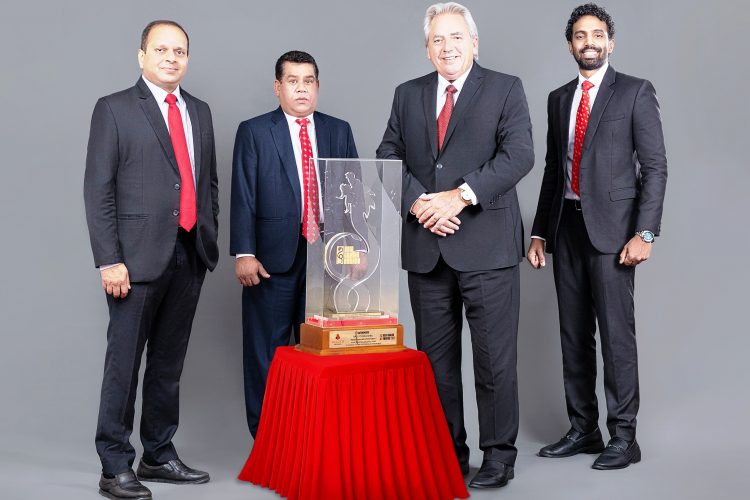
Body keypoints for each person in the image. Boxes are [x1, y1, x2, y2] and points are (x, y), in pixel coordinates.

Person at [377, 2, 534, 489]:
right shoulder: (407, 94)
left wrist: (459, 197)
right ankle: (446, 452)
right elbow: (388, 154)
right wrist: (420, 203)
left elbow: (519, 155)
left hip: (487, 247)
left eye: (456, 37)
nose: (447, 47)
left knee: (494, 360)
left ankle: (499, 456)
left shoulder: (505, 88)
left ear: (474, 43)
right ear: (427, 49)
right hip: (427, 248)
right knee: (435, 363)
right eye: (438, 40)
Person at [528, 3, 667, 470]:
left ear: (611, 42)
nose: (589, 42)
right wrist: (540, 232)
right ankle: (583, 429)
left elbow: (655, 167)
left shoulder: (634, 91)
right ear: (570, 45)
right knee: (573, 335)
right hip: (566, 228)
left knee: (616, 337)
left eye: (597, 34)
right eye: (580, 35)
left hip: (615, 234)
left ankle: (624, 437)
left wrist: (645, 233)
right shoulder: (558, 98)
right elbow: (554, 170)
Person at [84, 20, 219, 499]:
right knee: (124, 364)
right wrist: (109, 260)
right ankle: (114, 464)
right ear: (141, 56)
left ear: (188, 59)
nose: (170, 58)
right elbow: (98, 189)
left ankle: (158, 454)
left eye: (179, 51)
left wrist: (208, 236)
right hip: (134, 261)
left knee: (168, 363)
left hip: (189, 253)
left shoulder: (199, 111)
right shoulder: (114, 109)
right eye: (161, 49)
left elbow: (207, 182)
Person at [230, 51, 358, 438]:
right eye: (292, 81)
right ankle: (267, 440)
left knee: (320, 352)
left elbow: (352, 195)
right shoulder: (255, 131)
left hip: (327, 259)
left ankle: (312, 438)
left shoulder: (339, 130)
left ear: (317, 86)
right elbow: (243, 194)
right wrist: (245, 252)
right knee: (265, 353)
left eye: (308, 81)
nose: (301, 89)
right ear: (278, 87)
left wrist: (354, 249)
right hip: (271, 261)